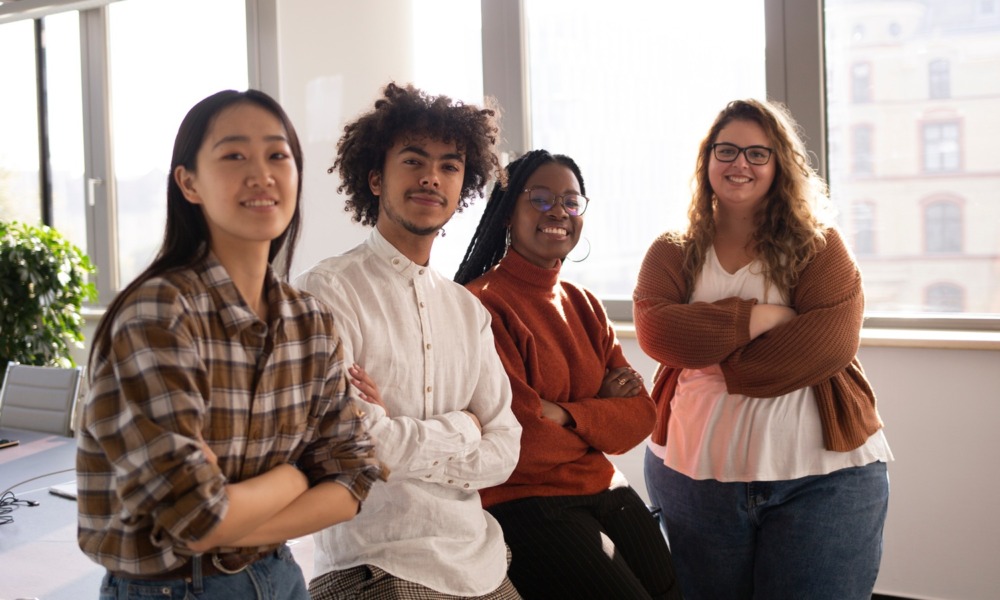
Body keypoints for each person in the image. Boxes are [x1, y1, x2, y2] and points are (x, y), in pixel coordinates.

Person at [76, 89, 386, 600]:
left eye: (277, 155)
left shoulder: (310, 321)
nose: (261, 174)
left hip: (282, 577)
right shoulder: (158, 315)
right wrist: (293, 476)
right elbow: (195, 515)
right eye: (234, 155)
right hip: (172, 590)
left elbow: (353, 477)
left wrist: (230, 519)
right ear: (189, 182)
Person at [633, 99, 893, 600]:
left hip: (826, 483)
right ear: (707, 159)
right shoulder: (672, 249)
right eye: (727, 150)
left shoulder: (819, 246)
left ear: (780, 165)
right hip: (694, 477)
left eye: (758, 153)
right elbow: (657, 333)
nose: (740, 164)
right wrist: (760, 318)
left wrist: (716, 359)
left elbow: (827, 345)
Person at [294, 82, 522, 600]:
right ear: (375, 177)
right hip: (376, 560)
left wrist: (405, 438)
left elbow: (506, 449)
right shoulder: (326, 291)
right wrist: (465, 427)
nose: (431, 178)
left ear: (463, 185)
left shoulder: (468, 310)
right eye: (414, 161)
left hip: (479, 559)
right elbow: (359, 448)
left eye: (449, 166)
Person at [454, 150, 683, 600]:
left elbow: (641, 417)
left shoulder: (585, 304)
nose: (558, 211)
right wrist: (598, 411)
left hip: (603, 486)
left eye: (570, 201)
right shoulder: (481, 303)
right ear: (506, 213)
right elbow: (521, 443)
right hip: (525, 502)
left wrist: (564, 414)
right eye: (540, 199)